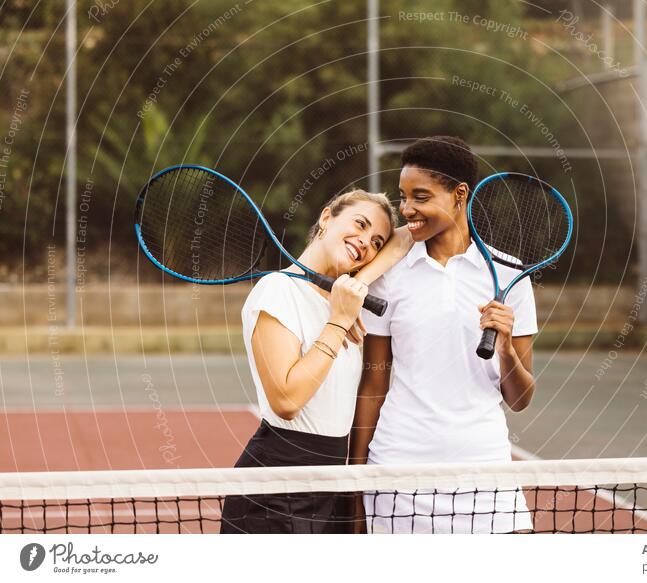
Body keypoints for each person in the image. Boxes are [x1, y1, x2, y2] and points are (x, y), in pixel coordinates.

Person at [350, 136, 537, 534]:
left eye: (420, 196)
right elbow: (374, 381)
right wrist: (355, 478)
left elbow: (520, 399)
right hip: (398, 470)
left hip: (485, 471)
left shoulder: (510, 276)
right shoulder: (388, 275)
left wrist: (505, 350)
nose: (407, 210)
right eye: (402, 197)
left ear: (459, 194)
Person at [220, 188, 398, 534]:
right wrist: (338, 321)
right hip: (276, 484)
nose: (365, 242)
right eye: (359, 225)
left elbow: (404, 239)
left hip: (332, 483)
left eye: (377, 242)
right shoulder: (277, 290)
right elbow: (287, 400)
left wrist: (357, 283)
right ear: (327, 217)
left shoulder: (342, 298)